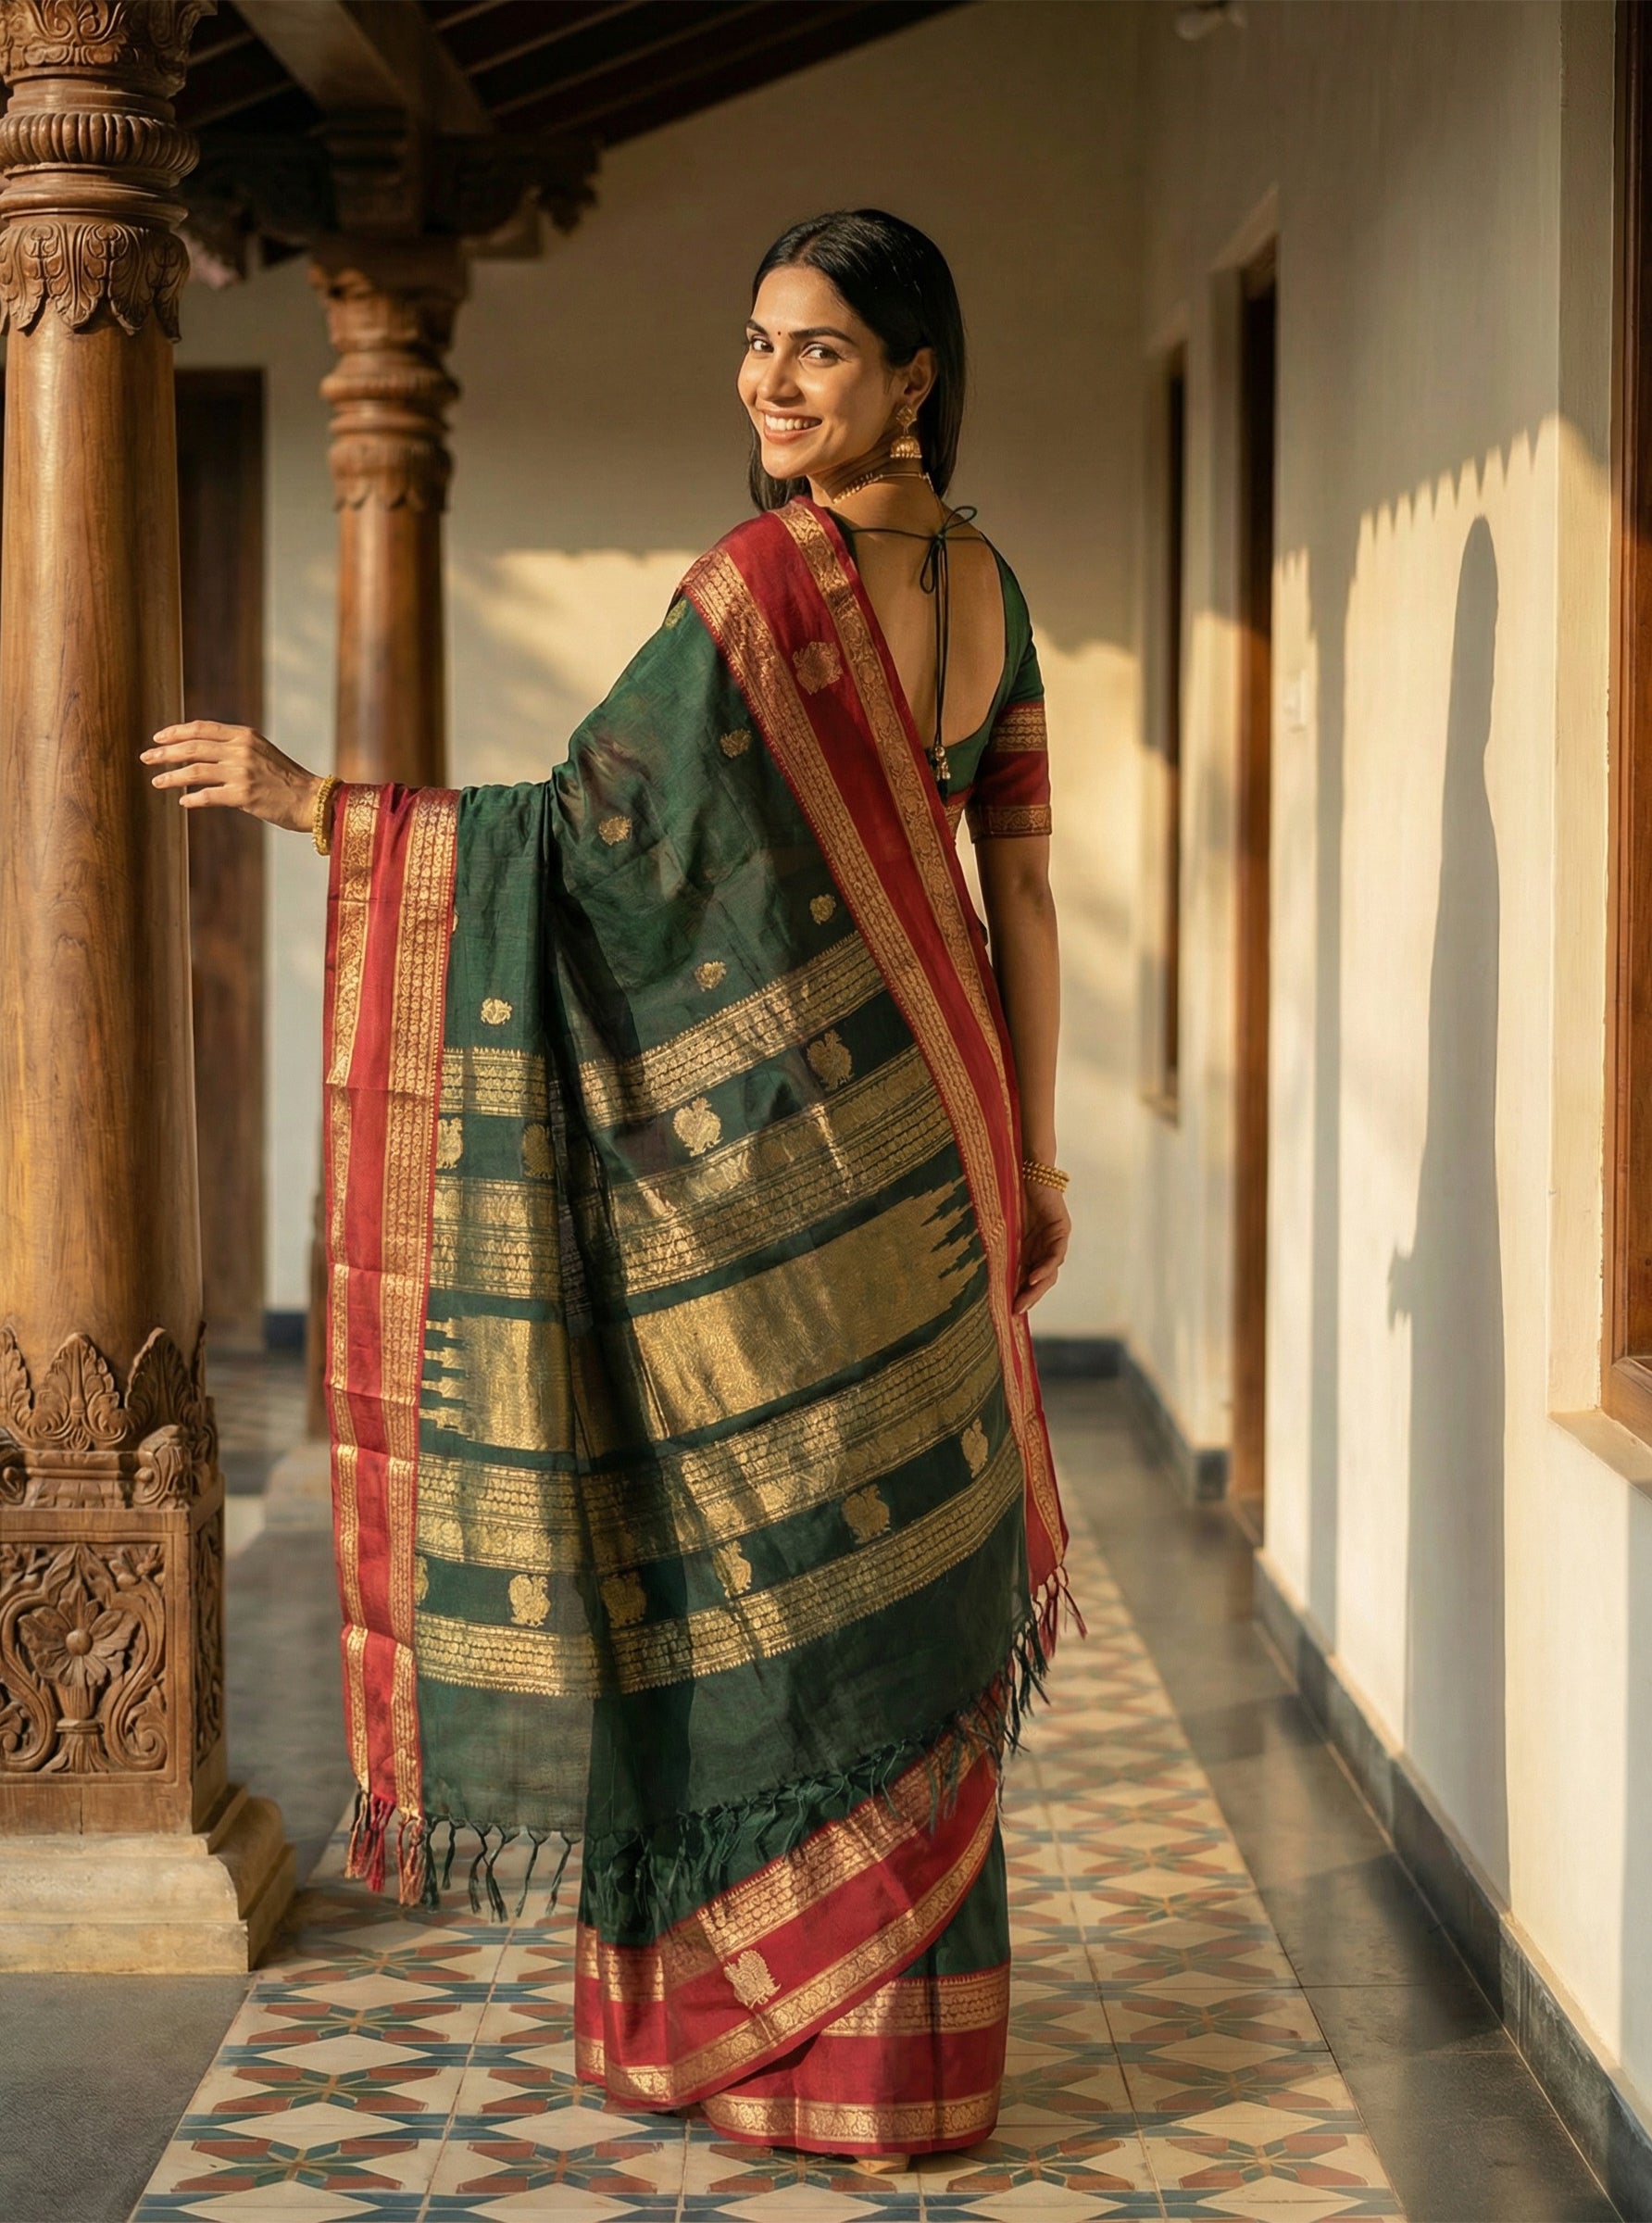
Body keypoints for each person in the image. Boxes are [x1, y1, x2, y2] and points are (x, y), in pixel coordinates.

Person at [144, 208, 1073, 2169]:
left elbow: (585, 850)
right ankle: (903, 2065)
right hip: (941, 1134)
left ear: (917, 373)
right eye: (757, 345)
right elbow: (1021, 901)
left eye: (820, 350)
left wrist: (320, 804)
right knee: (891, 1557)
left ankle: (761, 2042)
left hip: (802, 1176)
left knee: (760, 1559)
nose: (770, 383)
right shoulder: (989, 582)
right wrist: (1036, 1142)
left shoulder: (759, 585)